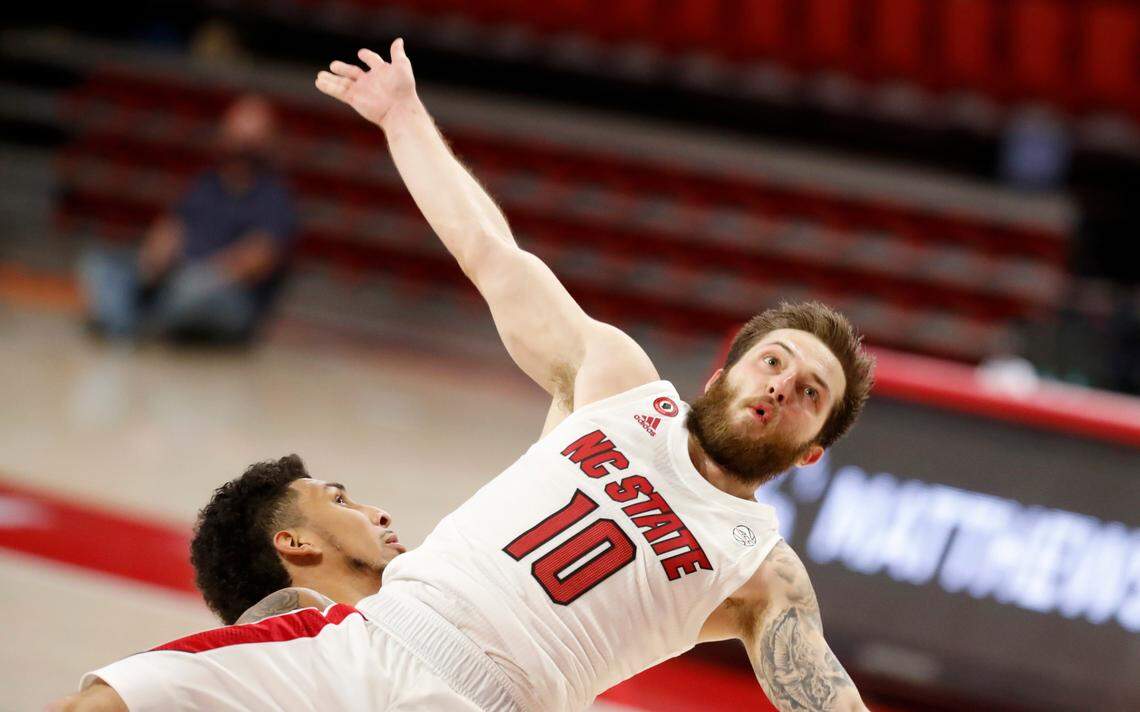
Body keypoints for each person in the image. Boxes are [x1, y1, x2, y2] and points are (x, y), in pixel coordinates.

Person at [57, 38, 875, 712]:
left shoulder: (760, 567)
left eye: (812, 394)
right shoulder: (621, 383)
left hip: (492, 701)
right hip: (370, 639)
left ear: (813, 451)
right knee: (110, 697)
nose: (782, 386)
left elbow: (828, 696)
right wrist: (404, 118)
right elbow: (491, 254)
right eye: (775, 361)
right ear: (727, 366)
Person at [78, 94, 297, 344]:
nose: (242, 144)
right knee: (100, 265)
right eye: (237, 134)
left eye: (250, 137)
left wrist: (204, 275)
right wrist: (154, 261)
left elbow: (259, 257)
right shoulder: (207, 184)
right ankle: (130, 321)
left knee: (191, 291)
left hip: (227, 294)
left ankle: (129, 320)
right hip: (178, 277)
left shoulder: (275, 197)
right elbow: (173, 225)